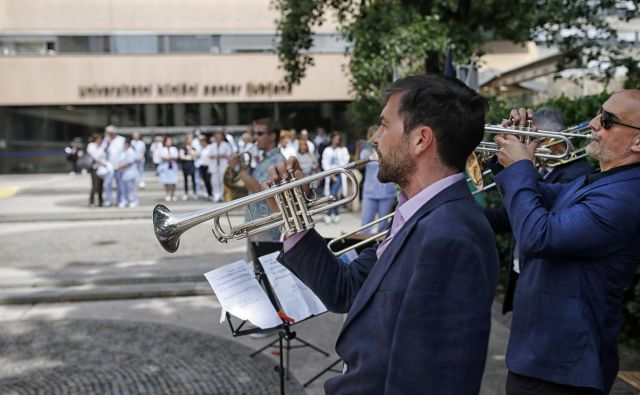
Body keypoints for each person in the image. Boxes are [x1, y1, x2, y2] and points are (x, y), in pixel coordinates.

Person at [267, 75, 499, 394]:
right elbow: (344, 289)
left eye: (384, 125)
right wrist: (293, 217)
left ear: (421, 139)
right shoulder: (416, 214)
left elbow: (430, 382)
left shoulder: (448, 236)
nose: (374, 138)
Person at [492, 89, 640, 395]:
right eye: (599, 113)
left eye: (608, 120)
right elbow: (535, 199)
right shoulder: (603, 181)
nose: (592, 123)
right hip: (540, 357)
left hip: (562, 368)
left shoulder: (626, 197)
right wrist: (513, 148)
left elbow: (538, 236)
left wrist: (521, 167)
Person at [484, 107, 594, 314]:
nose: (524, 145)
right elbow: (511, 215)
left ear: (552, 139)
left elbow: (538, 221)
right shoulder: (538, 169)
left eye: (532, 138)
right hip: (522, 269)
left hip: (547, 280)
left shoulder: (578, 175)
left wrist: (521, 168)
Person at [228, 118, 285, 267]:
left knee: (262, 273)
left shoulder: (278, 160)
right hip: (256, 223)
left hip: (265, 226)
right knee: (256, 271)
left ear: (273, 136)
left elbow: (260, 190)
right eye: (254, 133)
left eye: (259, 133)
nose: (255, 138)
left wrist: (238, 168)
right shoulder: (264, 160)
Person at [359, 125, 397, 234]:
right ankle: (364, 248)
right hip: (370, 192)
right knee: (365, 224)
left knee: (384, 226)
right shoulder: (366, 152)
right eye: (372, 136)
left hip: (386, 192)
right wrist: (360, 148)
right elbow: (359, 167)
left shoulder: (389, 151)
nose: (375, 139)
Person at [321, 132, 350, 224]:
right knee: (332, 194)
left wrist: (336, 172)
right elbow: (324, 163)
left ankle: (329, 214)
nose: (337, 140)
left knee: (332, 194)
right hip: (330, 174)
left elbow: (346, 161)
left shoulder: (343, 149)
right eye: (335, 138)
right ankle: (336, 213)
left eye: (338, 138)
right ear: (332, 139)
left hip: (340, 174)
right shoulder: (327, 150)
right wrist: (331, 174)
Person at [117, 138, 140, 208]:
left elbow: (129, 162)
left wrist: (121, 166)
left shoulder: (131, 151)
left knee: (131, 188)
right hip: (123, 172)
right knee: (123, 188)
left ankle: (133, 201)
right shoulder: (123, 151)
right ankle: (124, 201)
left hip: (130, 172)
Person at [157, 136, 179, 202]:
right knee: (166, 181)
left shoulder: (174, 148)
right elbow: (162, 157)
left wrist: (170, 157)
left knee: (173, 181)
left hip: (172, 166)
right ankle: (167, 194)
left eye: (170, 141)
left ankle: (173, 194)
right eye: (168, 141)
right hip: (165, 166)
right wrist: (170, 157)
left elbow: (176, 156)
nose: (169, 142)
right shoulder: (162, 149)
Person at [86, 133, 105, 207]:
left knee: (101, 185)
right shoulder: (91, 145)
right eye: (99, 139)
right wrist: (100, 160)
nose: (100, 140)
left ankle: (101, 201)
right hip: (94, 168)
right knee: (95, 185)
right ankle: (91, 201)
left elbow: (103, 155)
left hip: (101, 168)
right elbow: (94, 156)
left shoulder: (101, 146)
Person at [179, 134, 198, 200]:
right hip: (185, 165)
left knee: (193, 180)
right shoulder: (183, 147)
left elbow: (194, 155)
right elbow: (181, 156)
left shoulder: (193, 148)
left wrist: (189, 149)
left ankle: (194, 193)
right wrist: (188, 157)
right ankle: (186, 193)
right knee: (186, 180)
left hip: (191, 165)